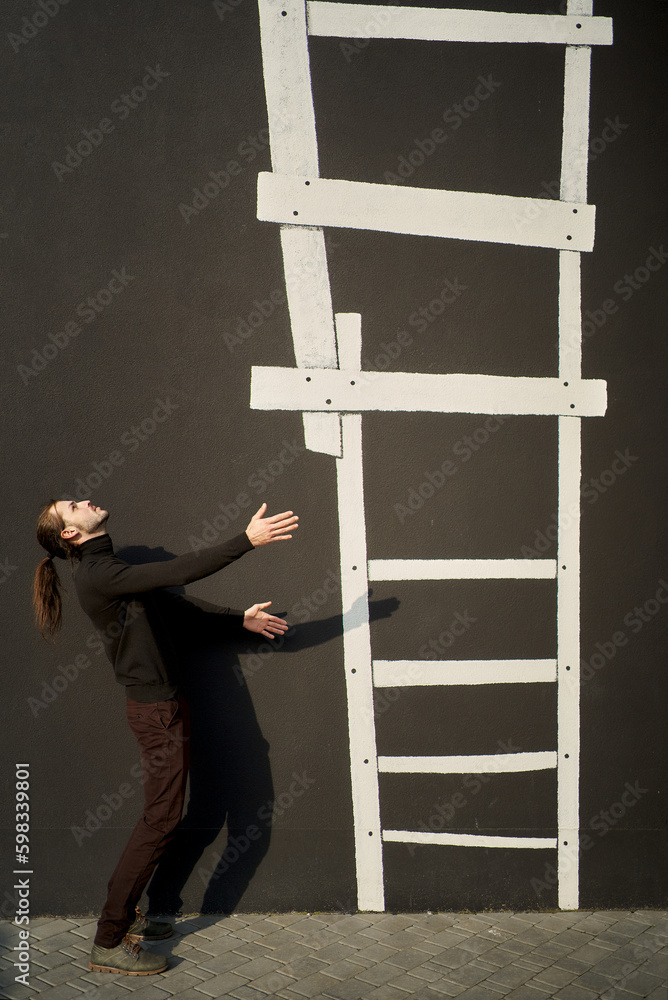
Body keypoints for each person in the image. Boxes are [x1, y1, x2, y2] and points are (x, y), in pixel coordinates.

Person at [32, 497, 298, 976]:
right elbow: (179, 571)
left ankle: (137, 918)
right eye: (74, 506)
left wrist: (239, 619)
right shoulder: (98, 575)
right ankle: (109, 940)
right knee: (160, 821)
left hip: (166, 707)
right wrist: (246, 542)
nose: (86, 500)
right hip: (157, 714)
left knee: (166, 817)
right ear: (70, 533)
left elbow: (171, 604)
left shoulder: (110, 568)